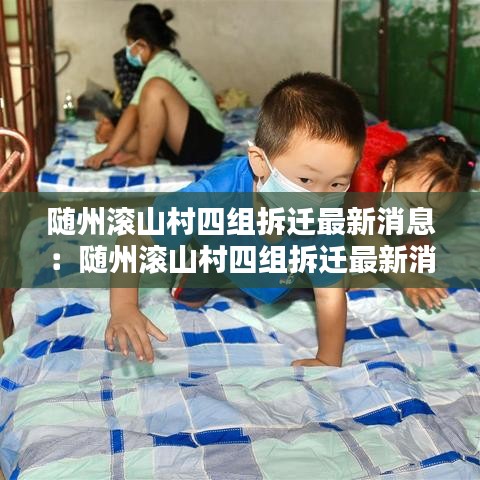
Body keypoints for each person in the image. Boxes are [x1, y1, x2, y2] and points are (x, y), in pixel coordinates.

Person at [105, 72, 366, 367]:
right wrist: (124, 307)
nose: (318, 201)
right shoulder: (216, 195)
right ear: (260, 162)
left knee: (335, 279)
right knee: (188, 299)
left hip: (284, 263)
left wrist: (328, 360)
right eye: (305, 180)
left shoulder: (325, 216)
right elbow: (134, 237)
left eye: (337, 184)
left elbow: (330, 296)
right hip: (218, 252)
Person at [348, 125, 477, 309]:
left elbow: (414, 259)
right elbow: (365, 235)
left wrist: (377, 277)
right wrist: (407, 277)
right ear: (390, 172)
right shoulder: (362, 180)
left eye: (430, 214)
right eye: (411, 204)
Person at [86, 7, 224, 168]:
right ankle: (120, 142)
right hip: (197, 140)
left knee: (155, 88)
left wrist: (107, 152)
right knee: (132, 138)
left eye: (130, 46)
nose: (129, 52)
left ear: (142, 45)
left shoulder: (160, 63)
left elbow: (132, 110)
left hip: (205, 139)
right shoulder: (167, 60)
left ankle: (144, 158)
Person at [95, 4, 168, 144]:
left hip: (160, 116)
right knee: (126, 120)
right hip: (133, 113)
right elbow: (130, 102)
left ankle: (117, 135)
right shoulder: (123, 58)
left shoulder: (167, 59)